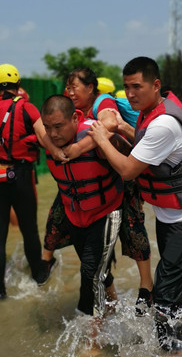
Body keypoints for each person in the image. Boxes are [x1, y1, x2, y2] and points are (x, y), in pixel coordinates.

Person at [88, 57, 182, 353]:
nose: (130, 94)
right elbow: (148, 145)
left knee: (164, 301)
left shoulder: (163, 123)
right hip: (174, 213)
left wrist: (102, 139)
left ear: (155, 85)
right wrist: (122, 127)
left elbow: (128, 169)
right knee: (176, 278)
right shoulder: (155, 109)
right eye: (126, 87)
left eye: (137, 86)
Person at [43, 68, 153, 315]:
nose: (69, 91)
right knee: (58, 214)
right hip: (84, 188)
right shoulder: (60, 119)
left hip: (118, 175)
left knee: (133, 225)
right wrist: (52, 145)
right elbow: (42, 126)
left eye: (75, 87)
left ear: (91, 88)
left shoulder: (103, 102)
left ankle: (146, 285)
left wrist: (78, 148)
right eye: (67, 87)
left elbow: (111, 124)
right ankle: (107, 300)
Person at [41, 94, 125, 318]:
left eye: (59, 126)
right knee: (98, 271)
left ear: (75, 119)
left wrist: (95, 144)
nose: (54, 134)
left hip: (106, 212)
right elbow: (37, 129)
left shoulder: (94, 134)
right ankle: (114, 309)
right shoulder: (47, 139)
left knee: (91, 273)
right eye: (48, 127)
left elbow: (129, 155)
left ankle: (93, 339)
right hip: (75, 217)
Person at [0, 63, 49, 300]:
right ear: (18, 85)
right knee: (29, 231)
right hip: (21, 177)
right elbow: (45, 139)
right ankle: (39, 277)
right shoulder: (26, 107)